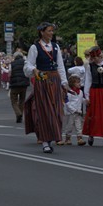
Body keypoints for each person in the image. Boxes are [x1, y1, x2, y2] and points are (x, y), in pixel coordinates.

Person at [23, 22, 69, 153]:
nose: (51, 33)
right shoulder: (35, 47)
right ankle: (45, 141)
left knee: (57, 110)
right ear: (42, 32)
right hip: (42, 80)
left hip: (54, 80)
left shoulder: (55, 47)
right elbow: (28, 66)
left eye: (52, 31)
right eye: (49, 31)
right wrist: (34, 69)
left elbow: (60, 66)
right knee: (45, 111)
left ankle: (53, 136)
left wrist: (64, 83)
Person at [59, 75, 85, 146]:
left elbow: (81, 99)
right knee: (69, 126)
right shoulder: (69, 93)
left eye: (79, 82)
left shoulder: (80, 92)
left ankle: (79, 138)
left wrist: (86, 101)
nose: (79, 84)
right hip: (71, 113)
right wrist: (73, 110)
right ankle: (68, 138)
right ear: (72, 84)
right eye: (77, 83)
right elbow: (67, 103)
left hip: (78, 112)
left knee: (79, 125)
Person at [8, 51, 30, 123]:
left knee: (14, 100)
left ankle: (18, 113)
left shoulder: (12, 64)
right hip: (24, 84)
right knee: (22, 100)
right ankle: (20, 115)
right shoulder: (25, 62)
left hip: (15, 84)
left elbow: (9, 74)